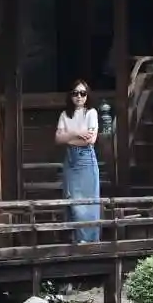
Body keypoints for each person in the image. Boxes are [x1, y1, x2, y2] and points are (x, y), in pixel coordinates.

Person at [56, 79, 101, 244]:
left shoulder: (91, 113)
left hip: (86, 159)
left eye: (83, 93)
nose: (79, 97)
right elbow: (58, 139)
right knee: (72, 200)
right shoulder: (65, 115)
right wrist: (76, 133)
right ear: (71, 96)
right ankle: (76, 238)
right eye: (75, 93)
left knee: (88, 202)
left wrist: (68, 137)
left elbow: (90, 140)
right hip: (70, 159)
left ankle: (89, 240)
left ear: (87, 95)